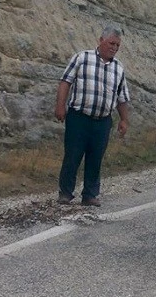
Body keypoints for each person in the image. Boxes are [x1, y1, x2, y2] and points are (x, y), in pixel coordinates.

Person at [54, 25, 131, 207]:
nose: (114, 48)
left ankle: (90, 194)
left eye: (117, 46)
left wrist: (124, 120)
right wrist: (60, 106)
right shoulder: (82, 58)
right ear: (101, 40)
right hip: (79, 118)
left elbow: (122, 97)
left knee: (96, 158)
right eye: (112, 43)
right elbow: (66, 82)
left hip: (103, 121)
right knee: (72, 155)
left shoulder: (119, 68)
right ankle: (65, 193)